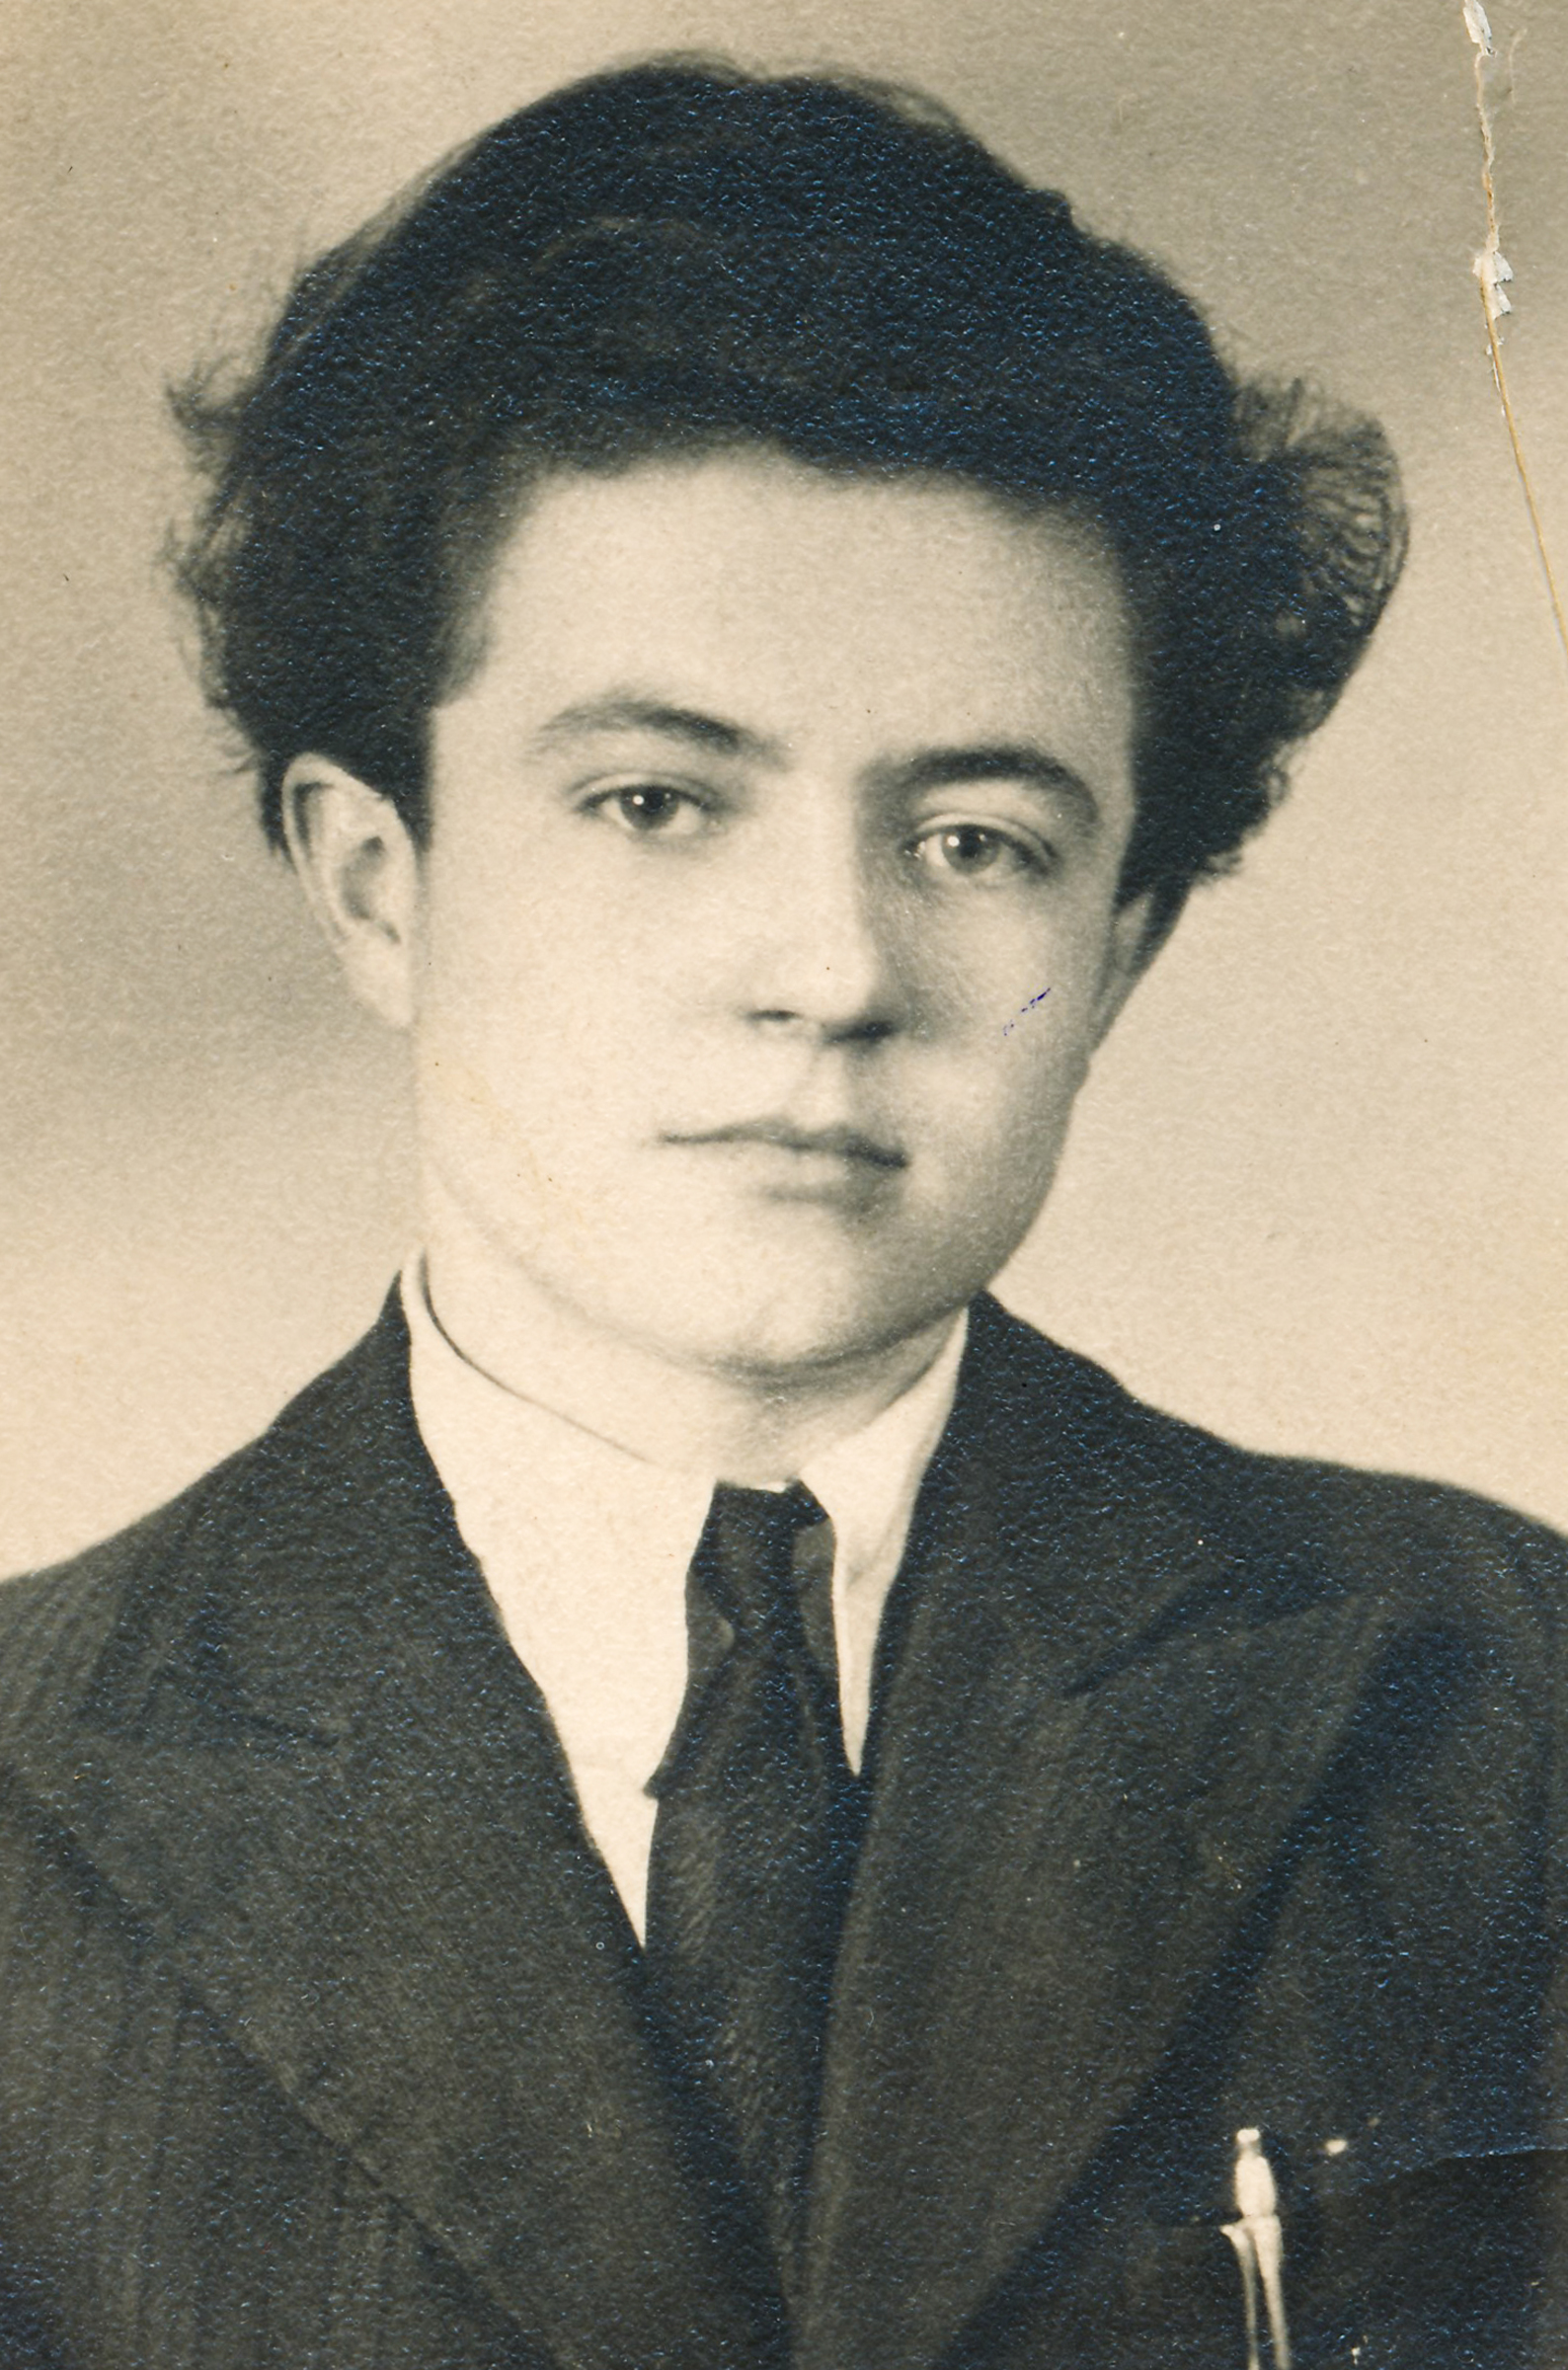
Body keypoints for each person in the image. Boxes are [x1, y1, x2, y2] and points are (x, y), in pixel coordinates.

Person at [0, 57, 1562, 2370]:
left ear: (1118, 948)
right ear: (377, 882)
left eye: (976, 841)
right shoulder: (29, 1789)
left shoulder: (1494, 1711)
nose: (831, 971)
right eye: (654, 801)